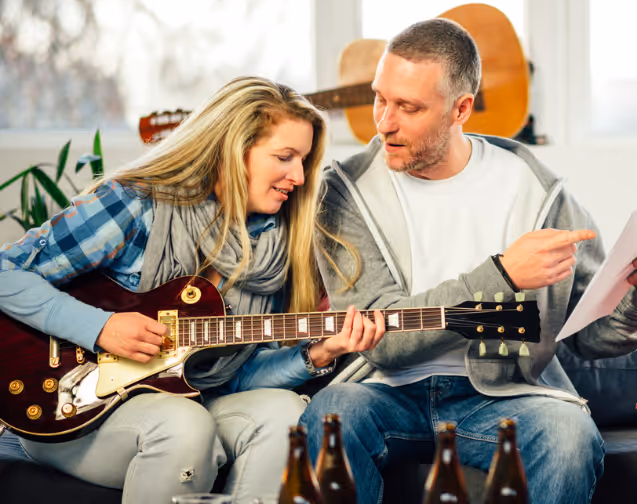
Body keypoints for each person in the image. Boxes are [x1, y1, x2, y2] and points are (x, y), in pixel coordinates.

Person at [300, 18, 637, 504]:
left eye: (408, 107)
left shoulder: (536, 190)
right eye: (380, 99)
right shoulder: (345, 192)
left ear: (461, 109)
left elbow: (591, 337)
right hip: (383, 392)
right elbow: (383, 339)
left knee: (568, 434)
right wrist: (502, 276)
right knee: (332, 415)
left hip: (506, 393)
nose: (384, 122)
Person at [0, 77, 385, 504]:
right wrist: (100, 327)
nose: (298, 175)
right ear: (234, 150)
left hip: (192, 398)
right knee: (185, 424)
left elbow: (237, 375)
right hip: (69, 410)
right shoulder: (135, 204)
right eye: (284, 157)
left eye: (304, 160)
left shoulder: (277, 249)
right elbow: (5, 271)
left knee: (286, 414)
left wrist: (318, 353)